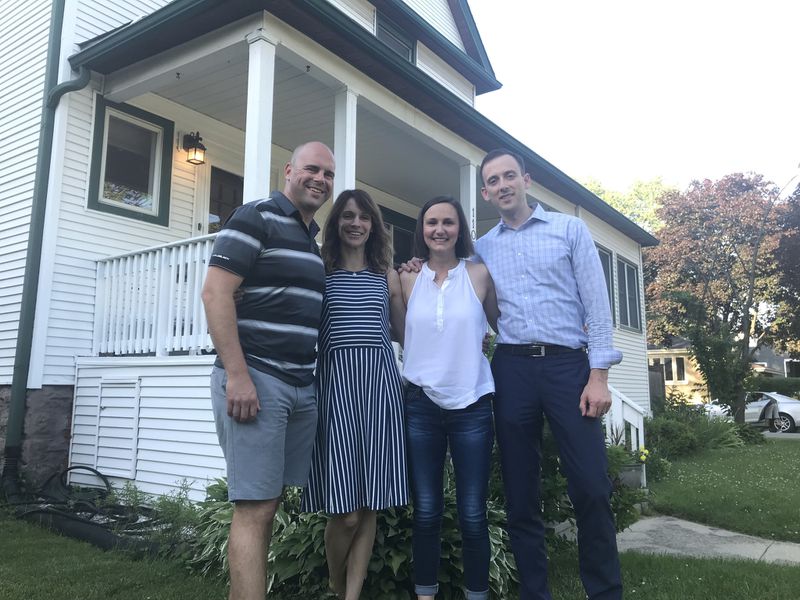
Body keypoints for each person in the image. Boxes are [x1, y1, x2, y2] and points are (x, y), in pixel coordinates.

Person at [477, 149, 623, 600]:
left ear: (526, 179)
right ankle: (534, 593)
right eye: (493, 181)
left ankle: (603, 592)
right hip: (513, 366)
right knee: (521, 492)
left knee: (592, 487)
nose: (502, 185)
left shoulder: (569, 229)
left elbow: (597, 306)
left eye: (509, 176)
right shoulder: (482, 247)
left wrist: (598, 374)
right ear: (485, 193)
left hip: (568, 367)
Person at [201, 141, 335, 600]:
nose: (320, 179)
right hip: (257, 379)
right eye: (312, 169)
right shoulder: (255, 216)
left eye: (328, 174)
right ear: (288, 171)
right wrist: (238, 375)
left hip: (299, 383)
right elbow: (216, 294)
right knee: (254, 507)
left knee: (268, 504)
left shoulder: (310, 240)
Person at [301, 189, 408, 600]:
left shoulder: (388, 275)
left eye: (364, 217)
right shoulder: (320, 270)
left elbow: (403, 333)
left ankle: (351, 595)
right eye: (347, 216)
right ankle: (333, 580)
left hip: (381, 387)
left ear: (374, 226)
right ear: (336, 223)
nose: (356, 223)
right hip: (335, 389)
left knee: (371, 505)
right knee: (345, 513)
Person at [399, 196, 499, 600]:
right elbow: (399, 333)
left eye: (448, 222)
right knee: (426, 511)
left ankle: (477, 594)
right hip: (421, 404)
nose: (439, 229)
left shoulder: (479, 274)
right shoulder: (406, 278)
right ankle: (426, 594)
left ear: (460, 230)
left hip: (472, 404)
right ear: (421, 230)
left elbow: (501, 324)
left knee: (473, 514)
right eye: (431, 222)